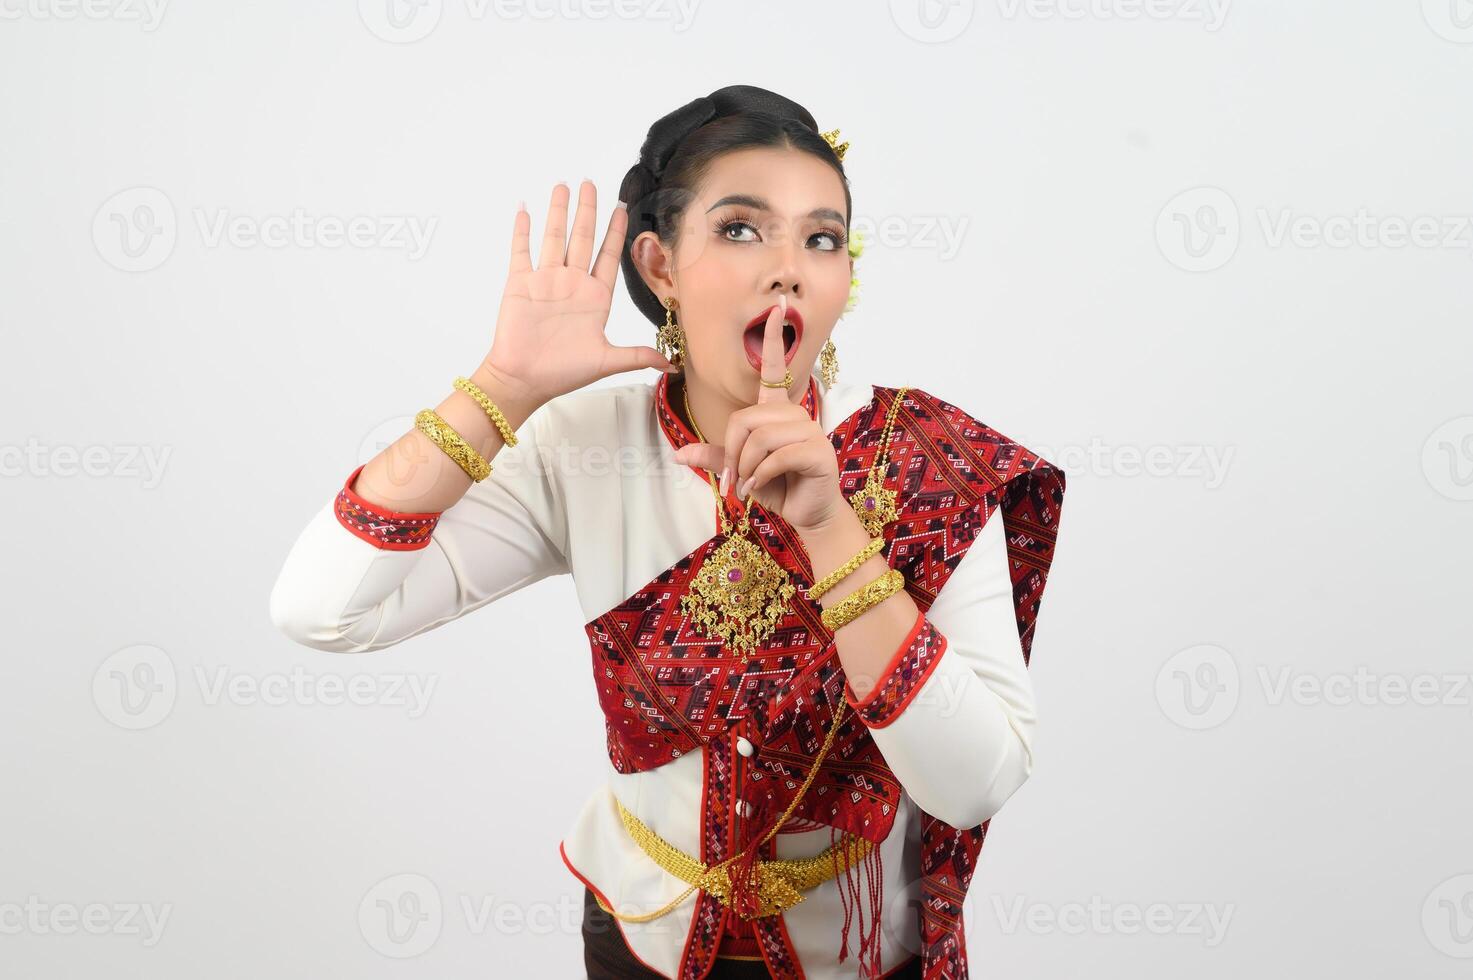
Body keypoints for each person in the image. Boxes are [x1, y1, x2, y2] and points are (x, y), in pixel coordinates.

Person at [269, 84, 1067, 979]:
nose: (787, 268)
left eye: (821, 237)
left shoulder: (923, 461)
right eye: (739, 229)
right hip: (635, 934)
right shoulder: (585, 446)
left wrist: (831, 526)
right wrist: (502, 386)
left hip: (852, 956)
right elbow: (322, 610)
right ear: (657, 266)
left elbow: (974, 785)